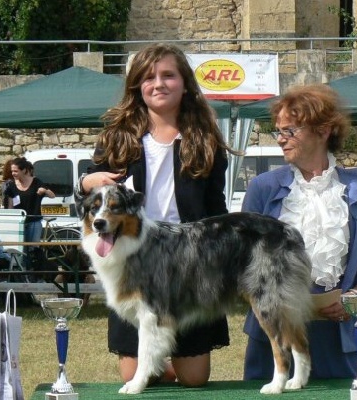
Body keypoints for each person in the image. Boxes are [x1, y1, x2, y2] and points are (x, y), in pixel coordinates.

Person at [74, 43, 239, 386]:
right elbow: (90, 184)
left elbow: (216, 207)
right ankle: (153, 362)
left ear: (184, 83)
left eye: (168, 75)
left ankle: (169, 359)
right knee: (136, 375)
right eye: (148, 77)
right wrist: (87, 180)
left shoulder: (205, 139)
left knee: (194, 379)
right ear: (137, 86)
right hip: (134, 255)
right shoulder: (117, 136)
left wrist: (225, 254)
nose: (158, 83)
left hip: (189, 258)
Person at [242, 84, 357, 380]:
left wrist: (353, 298)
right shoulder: (262, 188)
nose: (281, 140)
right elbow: (244, 260)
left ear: (323, 131)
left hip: (339, 334)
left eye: (290, 131)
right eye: (278, 131)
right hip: (274, 333)